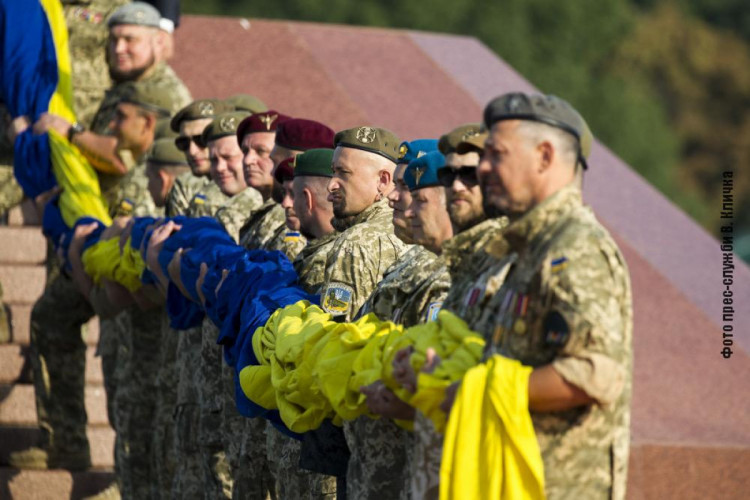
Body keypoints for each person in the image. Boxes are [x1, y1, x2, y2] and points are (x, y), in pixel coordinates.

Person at [452, 92, 632, 499]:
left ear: (545, 157)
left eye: (496, 155)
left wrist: (473, 393)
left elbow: (596, 374)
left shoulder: (573, 248)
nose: (482, 168)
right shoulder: (532, 247)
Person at [167, 98, 235, 216]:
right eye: (184, 142)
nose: (192, 151)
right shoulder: (186, 186)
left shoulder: (252, 183)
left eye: (201, 140)